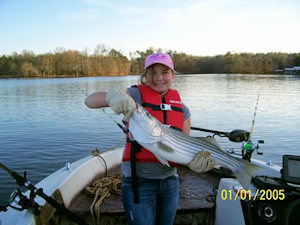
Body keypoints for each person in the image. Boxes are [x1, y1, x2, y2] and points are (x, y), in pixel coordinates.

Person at [85, 52, 214, 225]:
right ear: (145, 76)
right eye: (153, 72)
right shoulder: (135, 96)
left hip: (170, 182)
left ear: (172, 75)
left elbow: (183, 146)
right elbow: (90, 101)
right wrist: (112, 97)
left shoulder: (183, 110)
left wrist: (194, 163)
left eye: (164, 72)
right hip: (138, 182)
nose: (159, 77)